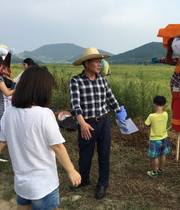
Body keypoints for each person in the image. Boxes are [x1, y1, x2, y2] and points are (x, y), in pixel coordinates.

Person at [0, 66, 81, 210]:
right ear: (42, 90)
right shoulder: (44, 114)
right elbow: (57, 146)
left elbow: (4, 139)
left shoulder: (8, 112)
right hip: (43, 184)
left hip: (21, 181)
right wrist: (71, 170)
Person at [69, 47, 127, 200]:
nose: (99, 64)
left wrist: (119, 112)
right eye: (96, 61)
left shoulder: (102, 80)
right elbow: (75, 105)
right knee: (85, 154)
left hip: (104, 122)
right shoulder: (76, 81)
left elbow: (111, 98)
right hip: (87, 123)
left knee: (104, 154)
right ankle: (83, 179)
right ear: (86, 63)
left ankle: (102, 184)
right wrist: (82, 123)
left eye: (100, 61)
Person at [145, 96, 171, 178]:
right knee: (163, 155)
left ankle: (154, 172)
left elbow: (146, 124)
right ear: (164, 105)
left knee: (155, 157)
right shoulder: (166, 114)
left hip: (155, 139)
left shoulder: (151, 116)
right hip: (164, 137)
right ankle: (161, 169)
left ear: (154, 105)